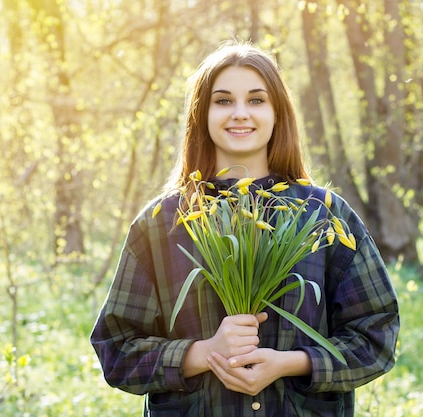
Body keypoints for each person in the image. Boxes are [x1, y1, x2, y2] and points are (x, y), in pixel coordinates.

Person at [90, 41, 399, 417]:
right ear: (201, 114)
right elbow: (115, 349)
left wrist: (292, 363)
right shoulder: (161, 224)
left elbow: (376, 336)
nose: (240, 114)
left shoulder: (323, 215)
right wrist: (202, 353)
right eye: (223, 101)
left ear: (277, 112)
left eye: (256, 100)